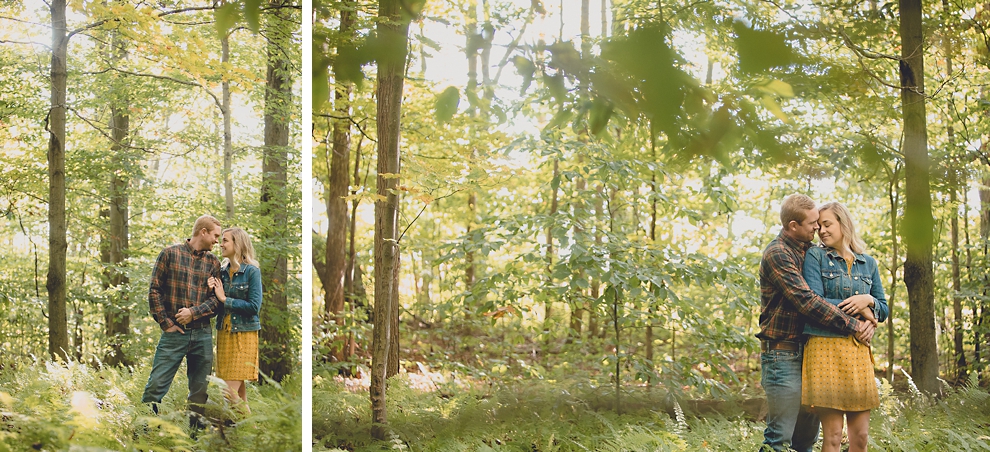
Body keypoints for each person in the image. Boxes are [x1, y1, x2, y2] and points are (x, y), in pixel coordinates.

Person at [758, 194, 876, 452]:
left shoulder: (811, 252)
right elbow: (808, 301)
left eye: (822, 223)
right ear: (793, 226)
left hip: (810, 354)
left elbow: (849, 291)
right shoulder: (778, 253)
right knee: (779, 438)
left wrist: (868, 301)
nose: (818, 228)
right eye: (813, 223)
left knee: (805, 440)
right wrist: (856, 325)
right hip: (783, 355)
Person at [802, 202, 888, 452]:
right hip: (824, 347)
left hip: (857, 350)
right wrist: (860, 311)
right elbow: (814, 302)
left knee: (860, 436)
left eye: (827, 224)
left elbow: (882, 308)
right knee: (833, 436)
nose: (822, 231)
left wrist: (869, 300)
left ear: (843, 223)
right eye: (819, 227)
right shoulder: (815, 256)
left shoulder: (868, 263)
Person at [141, 214, 223, 430]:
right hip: (174, 334)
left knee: (199, 392)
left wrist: (193, 313)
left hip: (202, 334)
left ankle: (195, 439)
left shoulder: (214, 263)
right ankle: (143, 433)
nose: (217, 240)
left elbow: (217, 299)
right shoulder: (169, 254)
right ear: (203, 232)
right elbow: (154, 290)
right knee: (156, 385)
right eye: (215, 235)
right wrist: (165, 322)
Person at [208, 227, 263, 420]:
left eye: (225, 241)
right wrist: (211, 290)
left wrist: (225, 300)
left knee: (227, 392)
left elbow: (254, 306)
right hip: (224, 334)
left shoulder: (252, 271)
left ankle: (253, 433)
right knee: (239, 394)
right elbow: (214, 303)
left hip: (244, 335)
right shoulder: (221, 271)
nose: (220, 244)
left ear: (237, 244)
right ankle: (246, 440)